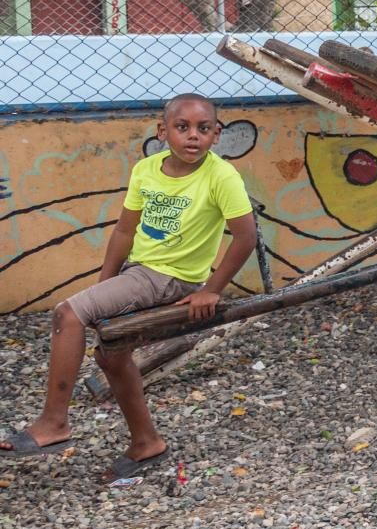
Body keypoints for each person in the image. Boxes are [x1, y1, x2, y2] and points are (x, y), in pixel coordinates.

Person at [4, 93, 258, 479]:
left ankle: (53, 423)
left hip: (171, 279)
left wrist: (212, 289)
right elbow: (125, 230)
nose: (193, 136)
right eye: (182, 127)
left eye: (203, 129)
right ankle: (146, 443)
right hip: (139, 273)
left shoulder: (220, 176)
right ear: (162, 131)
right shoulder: (146, 170)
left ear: (217, 135)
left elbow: (245, 236)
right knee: (112, 353)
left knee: (66, 314)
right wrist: (106, 285)